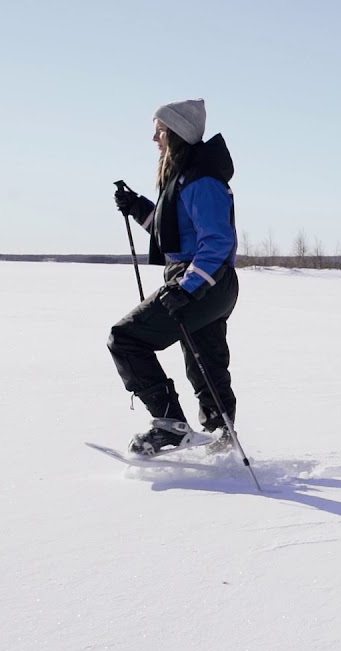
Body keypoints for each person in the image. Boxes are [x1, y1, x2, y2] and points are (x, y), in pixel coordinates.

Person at [109, 98, 241, 455]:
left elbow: (216, 241)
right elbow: (176, 237)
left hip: (205, 281)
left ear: (178, 133)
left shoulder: (201, 180)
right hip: (207, 281)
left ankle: (169, 426)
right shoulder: (185, 177)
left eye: (161, 131)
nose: (155, 138)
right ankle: (222, 439)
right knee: (205, 360)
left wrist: (188, 287)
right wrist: (139, 208)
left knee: (126, 339)